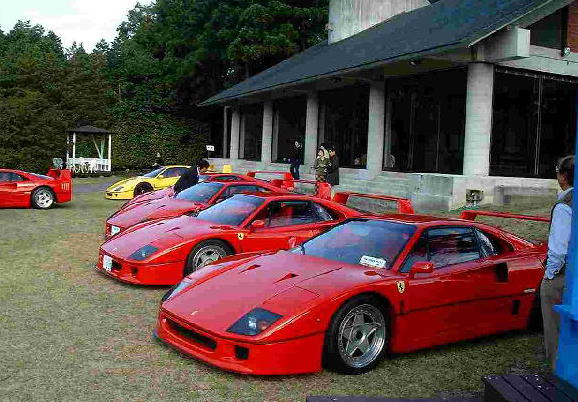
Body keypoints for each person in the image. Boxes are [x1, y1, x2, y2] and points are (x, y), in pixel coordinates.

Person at [541, 155, 574, 369]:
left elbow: (558, 249)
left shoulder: (564, 205)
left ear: (563, 176)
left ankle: (557, 371)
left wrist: (549, 275)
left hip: (562, 275)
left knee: (554, 328)